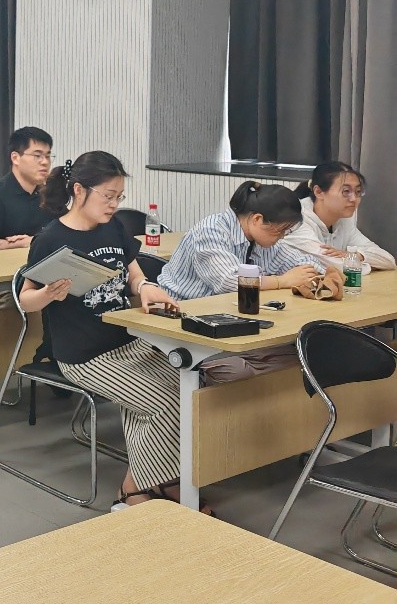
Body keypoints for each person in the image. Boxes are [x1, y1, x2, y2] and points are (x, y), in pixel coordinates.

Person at [20, 151, 193, 512]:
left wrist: (145, 286)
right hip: (84, 355)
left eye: (119, 197)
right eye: (108, 196)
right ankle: (134, 488)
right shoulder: (51, 239)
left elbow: (133, 271)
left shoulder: (113, 227)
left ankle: (164, 479)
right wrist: (47, 295)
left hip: (127, 341)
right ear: (79, 191)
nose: (114, 205)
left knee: (190, 387)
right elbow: (25, 300)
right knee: (161, 403)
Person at [158, 181, 342, 383]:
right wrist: (282, 281)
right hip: (183, 322)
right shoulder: (210, 231)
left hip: (230, 321)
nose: (282, 237)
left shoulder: (261, 239)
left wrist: (319, 274)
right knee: (238, 371)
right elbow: (228, 281)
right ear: (257, 219)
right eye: (280, 231)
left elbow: (301, 261)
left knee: (305, 357)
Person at [284, 162, 395, 273]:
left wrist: (357, 255)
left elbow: (388, 260)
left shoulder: (343, 219)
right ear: (318, 192)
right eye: (346, 191)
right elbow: (337, 267)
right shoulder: (296, 220)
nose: (354, 199)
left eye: (358, 192)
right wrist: (360, 262)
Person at [0, 126, 56, 250]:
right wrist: (23, 243)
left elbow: (64, 228)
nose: (45, 162)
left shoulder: (49, 193)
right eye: (37, 155)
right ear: (15, 158)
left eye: (48, 156)